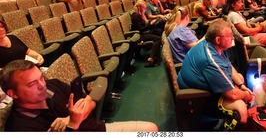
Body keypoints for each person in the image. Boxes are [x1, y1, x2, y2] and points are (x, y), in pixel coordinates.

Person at [0, 59, 158, 131]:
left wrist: (71, 118)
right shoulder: (20, 128)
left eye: (41, 77)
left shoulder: (52, 85)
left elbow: (90, 102)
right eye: (32, 84)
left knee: (151, 128)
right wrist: (72, 126)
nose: (42, 85)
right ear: (12, 93)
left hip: (99, 130)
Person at [177, 19, 254, 127]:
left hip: (199, 85)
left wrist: (241, 85)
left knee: (240, 78)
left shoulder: (211, 45)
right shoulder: (211, 60)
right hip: (197, 99)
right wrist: (246, 95)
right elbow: (232, 95)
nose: (233, 38)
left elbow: (228, 65)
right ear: (218, 39)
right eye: (229, 35)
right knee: (241, 108)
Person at [131, 0, 162, 67]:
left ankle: (156, 56)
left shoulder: (140, 14)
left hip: (144, 32)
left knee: (159, 31)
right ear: (139, 7)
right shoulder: (136, 16)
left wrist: (151, 23)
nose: (145, 10)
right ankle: (151, 58)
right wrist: (150, 25)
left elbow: (144, 26)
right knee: (158, 39)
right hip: (139, 35)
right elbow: (140, 29)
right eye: (144, 8)